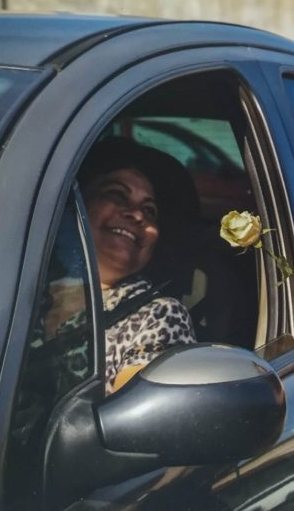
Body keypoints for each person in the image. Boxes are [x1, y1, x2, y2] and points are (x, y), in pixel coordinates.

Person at [54, 137, 198, 394]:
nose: (137, 214)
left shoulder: (158, 315)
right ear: (76, 208)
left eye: (150, 210)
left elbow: (138, 419)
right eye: (117, 195)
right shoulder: (19, 289)